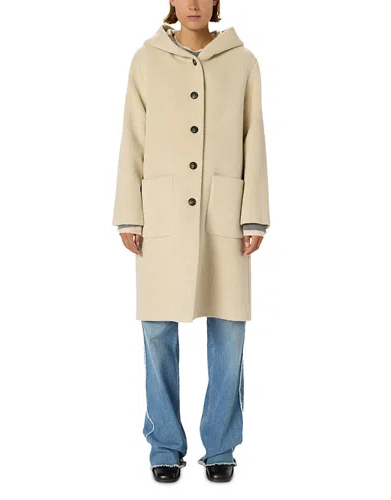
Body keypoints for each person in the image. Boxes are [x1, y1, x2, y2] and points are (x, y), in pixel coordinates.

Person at [112, 0, 271, 483]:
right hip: (161, 213)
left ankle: (221, 447)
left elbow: (254, 138)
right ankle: (164, 446)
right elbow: (133, 138)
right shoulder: (146, 60)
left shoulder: (242, 61)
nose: (195, 4)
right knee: (157, 332)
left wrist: (254, 216)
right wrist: (129, 213)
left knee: (229, 332)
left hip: (225, 213)